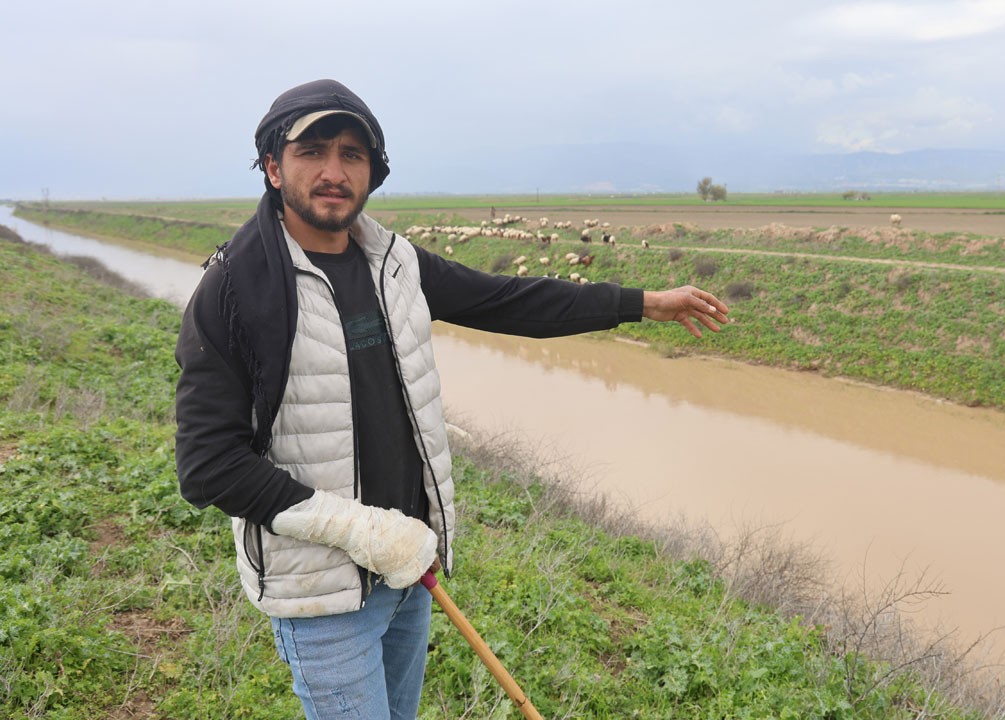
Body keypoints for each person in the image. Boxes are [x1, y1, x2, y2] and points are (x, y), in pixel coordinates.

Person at [173, 78, 729, 720]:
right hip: (323, 598)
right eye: (313, 151)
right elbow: (209, 466)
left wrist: (640, 304)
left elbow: (508, 301)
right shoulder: (235, 291)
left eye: (352, 154)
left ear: (373, 173)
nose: (334, 171)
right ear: (273, 166)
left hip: (410, 574)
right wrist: (362, 529)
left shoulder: (396, 264)